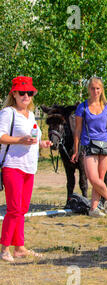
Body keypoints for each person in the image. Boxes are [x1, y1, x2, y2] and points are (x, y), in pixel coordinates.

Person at [0, 76, 52, 262]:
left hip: (30, 166)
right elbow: (1, 136)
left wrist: (42, 143)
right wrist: (20, 141)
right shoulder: (8, 113)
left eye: (29, 93)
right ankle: (4, 248)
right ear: (13, 94)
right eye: (22, 92)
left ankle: (19, 247)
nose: (26, 96)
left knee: (22, 209)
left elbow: (33, 138)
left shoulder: (30, 115)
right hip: (12, 166)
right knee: (14, 209)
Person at [71, 77, 107, 217]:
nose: (95, 91)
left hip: (104, 146)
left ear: (101, 90)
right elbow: (77, 130)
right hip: (88, 145)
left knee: (100, 179)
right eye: (92, 88)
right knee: (92, 178)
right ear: (88, 89)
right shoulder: (82, 107)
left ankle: (93, 209)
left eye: (98, 88)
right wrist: (76, 149)